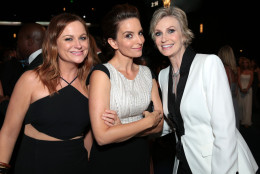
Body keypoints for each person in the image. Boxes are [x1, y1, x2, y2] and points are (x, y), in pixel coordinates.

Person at [149, 6, 259, 174]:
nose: (164, 38)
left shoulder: (208, 64)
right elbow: (176, 122)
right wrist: (137, 127)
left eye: (171, 30)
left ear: (184, 34)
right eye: (158, 33)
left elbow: (225, 131)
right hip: (184, 159)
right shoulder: (163, 76)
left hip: (218, 163)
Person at [0, 12, 99, 174]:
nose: (78, 44)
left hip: (77, 164)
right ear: (54, 43)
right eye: (68, 38)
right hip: (36, 164)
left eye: (82, 37)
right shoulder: (31, 79)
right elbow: (8, 132)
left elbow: (88, 133)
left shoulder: (92, 82)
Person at [87, 3, 163, 174]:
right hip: (109, 161)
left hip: (140, 157)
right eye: (129, 35)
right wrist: (147, 122)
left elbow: (159, 126)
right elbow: (102, 137)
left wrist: (121, 129)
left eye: (140, 33)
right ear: (113, 42)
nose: (140, 40)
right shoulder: (102, 74)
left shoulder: (147, 73)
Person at [218, 45, 241, 129]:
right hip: (233, 101)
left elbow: (224, 90)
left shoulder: (225, 69)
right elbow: (236, 90)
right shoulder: (234, 70)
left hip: (226, 103)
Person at [238, 57, 254, 128]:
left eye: (246, 63)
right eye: (243, 63)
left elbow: (251, 81)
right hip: (240, 89)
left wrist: (246, 89)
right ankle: (240, 119)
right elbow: (238, 79)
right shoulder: (240, 71)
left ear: (248, 64)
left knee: (247, 106)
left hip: (248, 90)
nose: (245, 64)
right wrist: (241, 88)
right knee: (240, 105)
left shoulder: (251, 72)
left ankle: (246, 122)